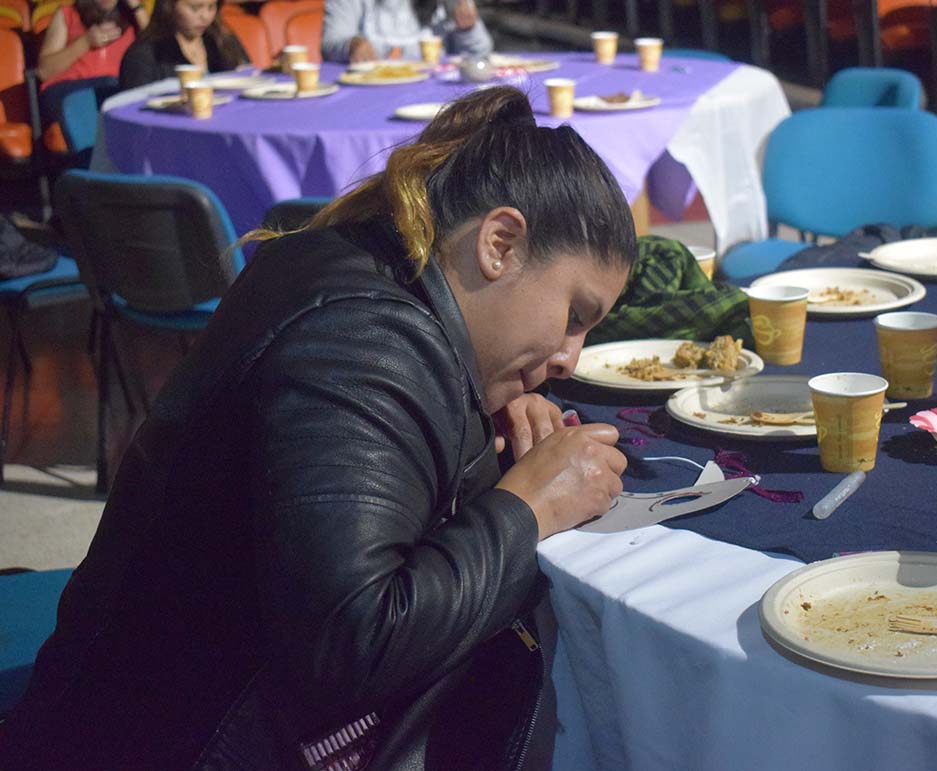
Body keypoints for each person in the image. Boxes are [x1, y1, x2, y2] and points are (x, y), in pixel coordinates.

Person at [0, 85, 635, 770]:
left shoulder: (356, 269)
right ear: (499, 244)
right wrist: (528, 506)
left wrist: (480, 432)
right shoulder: (361, 339)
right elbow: (354, 644)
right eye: (573, 315)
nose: (569, 358)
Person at [36, 0, 148, 125]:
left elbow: (158, 56)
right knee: (110, 88)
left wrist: (136, 7)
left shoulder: (133, 19)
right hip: (68, 92)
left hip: (115, 91)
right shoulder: (68, 14)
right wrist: (85, 42)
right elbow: (44, 71)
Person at [118, 0, 248, 90]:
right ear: (170, 6)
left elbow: (248, 78)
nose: (205, 16)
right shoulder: (144, 54)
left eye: (211, 7)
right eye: (195, 8)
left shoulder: (222, 40)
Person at [322, 0, 492, 64]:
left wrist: (467, 28)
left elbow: (480, 53)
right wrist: (352, 44)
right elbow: (331, 41)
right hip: (373, 92)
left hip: (436, 93)